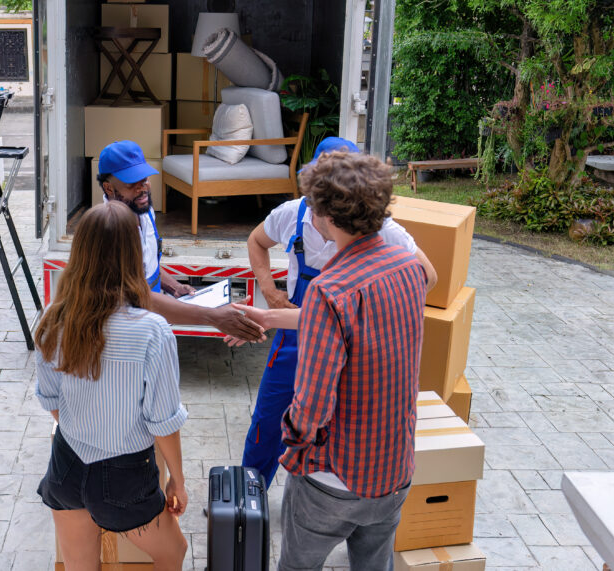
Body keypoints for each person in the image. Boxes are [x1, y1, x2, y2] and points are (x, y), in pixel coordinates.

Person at [235, 137, 437, 487]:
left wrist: (374, 311)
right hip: (293, 337)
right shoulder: (291, 215)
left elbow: (427, 277)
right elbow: (256, 240)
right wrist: (268, 291)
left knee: (336, 421)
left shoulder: (383, 231)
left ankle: (326, 495)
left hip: (350, 344)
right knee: (267, 421)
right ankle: (248, 497)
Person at [266, 151, 427, 570]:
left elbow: (312, 406)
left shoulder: (329, 290)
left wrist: (292, 438)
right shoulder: (409, 268)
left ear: (322, 214)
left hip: (334, 479)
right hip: (395, 467)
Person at [35, 202, 189, 571]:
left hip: (67, 463)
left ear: (81, 252)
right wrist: (178, 483)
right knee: (173, 553)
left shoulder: (54, 319)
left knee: (79, 566)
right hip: (125, 475)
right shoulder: (153, 331)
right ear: (133, 255)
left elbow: (52, 402)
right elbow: (163, 423)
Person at [96, 140, 264, 342]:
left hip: (148, 319)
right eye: (132, 183)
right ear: (108, 188)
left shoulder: (144, 211)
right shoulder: (109, 230)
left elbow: (147, 266)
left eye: (145, 179)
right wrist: (213, 317)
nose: (142, 189)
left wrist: (174, 286)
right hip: (124, 332)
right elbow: (135, 294)